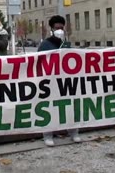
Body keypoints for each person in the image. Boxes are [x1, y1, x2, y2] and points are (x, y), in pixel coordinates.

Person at [37, 15, 81, 147]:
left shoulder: (66, 43)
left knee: (70, 105)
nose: (60, 30)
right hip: (50, 80)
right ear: (52, 29)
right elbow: (39, 62)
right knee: (49, 107)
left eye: (61, 28)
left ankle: (73, 132)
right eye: (57, 28)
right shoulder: (45, 44)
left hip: (65, 80)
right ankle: (47, 135)